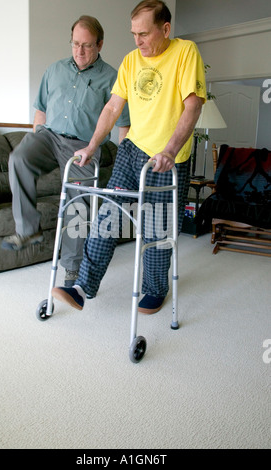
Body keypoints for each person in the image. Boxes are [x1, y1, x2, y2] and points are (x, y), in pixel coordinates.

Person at [52, 0, 207, 314]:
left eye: (144, 34)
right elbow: (112, 108)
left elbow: (193, 106)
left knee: (156, 229)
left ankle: (155, 289)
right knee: (108, 216)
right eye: (134, 34)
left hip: (168, 157)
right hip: (132, 150)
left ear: (165, 29)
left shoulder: (185, 52)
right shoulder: (130, 61)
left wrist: (170, 150)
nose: (138, 41)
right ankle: (83, 286)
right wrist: (92, 146)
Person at [1, 15, 130, 287]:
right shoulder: (54, 70)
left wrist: (121, 161)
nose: (80, 51)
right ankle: (27, 230)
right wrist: (37, 135)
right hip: (49, 137)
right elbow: (40, 109)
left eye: (87, 45)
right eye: (75, 44)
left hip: (82, 146)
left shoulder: (112, 78)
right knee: (19, 158)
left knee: (78, 202)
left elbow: (123, 124)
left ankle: (72, 269)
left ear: (100, 45)